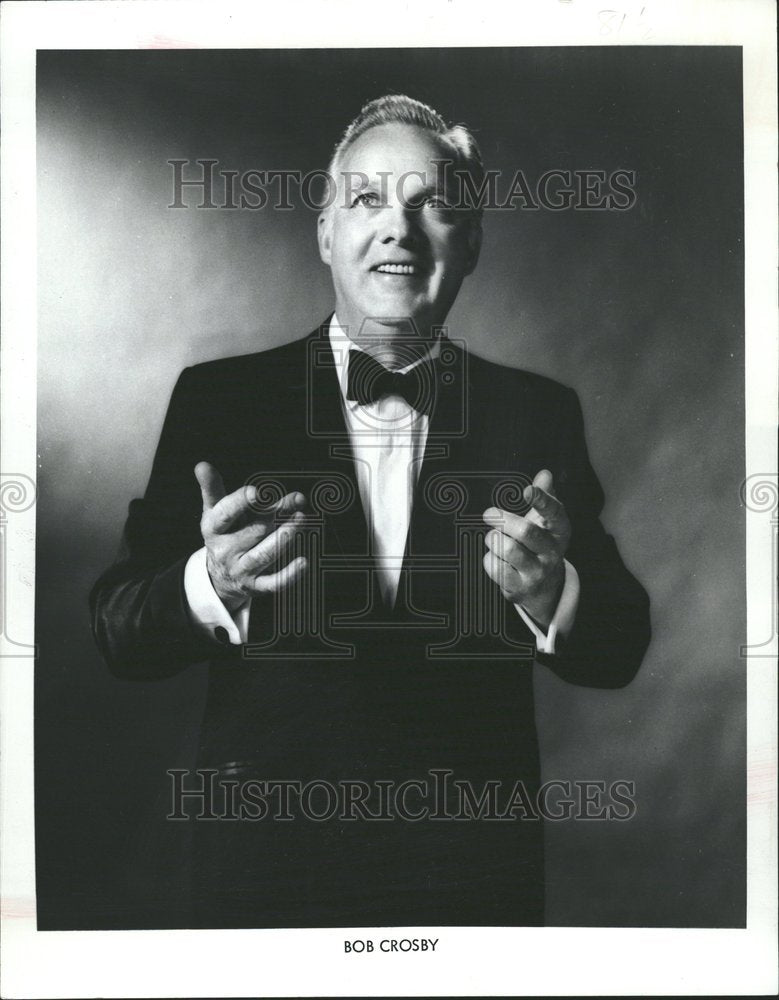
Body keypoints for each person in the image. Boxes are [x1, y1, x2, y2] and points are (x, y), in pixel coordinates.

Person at [90, 94, 650, 928]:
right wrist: (209, 583)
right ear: (325, 235)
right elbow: (119, 630)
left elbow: (616, 645)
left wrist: (549, 590)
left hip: (470, 883)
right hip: (266, 880)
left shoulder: (537, 414)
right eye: (367, 201)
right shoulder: (220, 401)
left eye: (433, 206)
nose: (399, 229)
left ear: (471, 244)